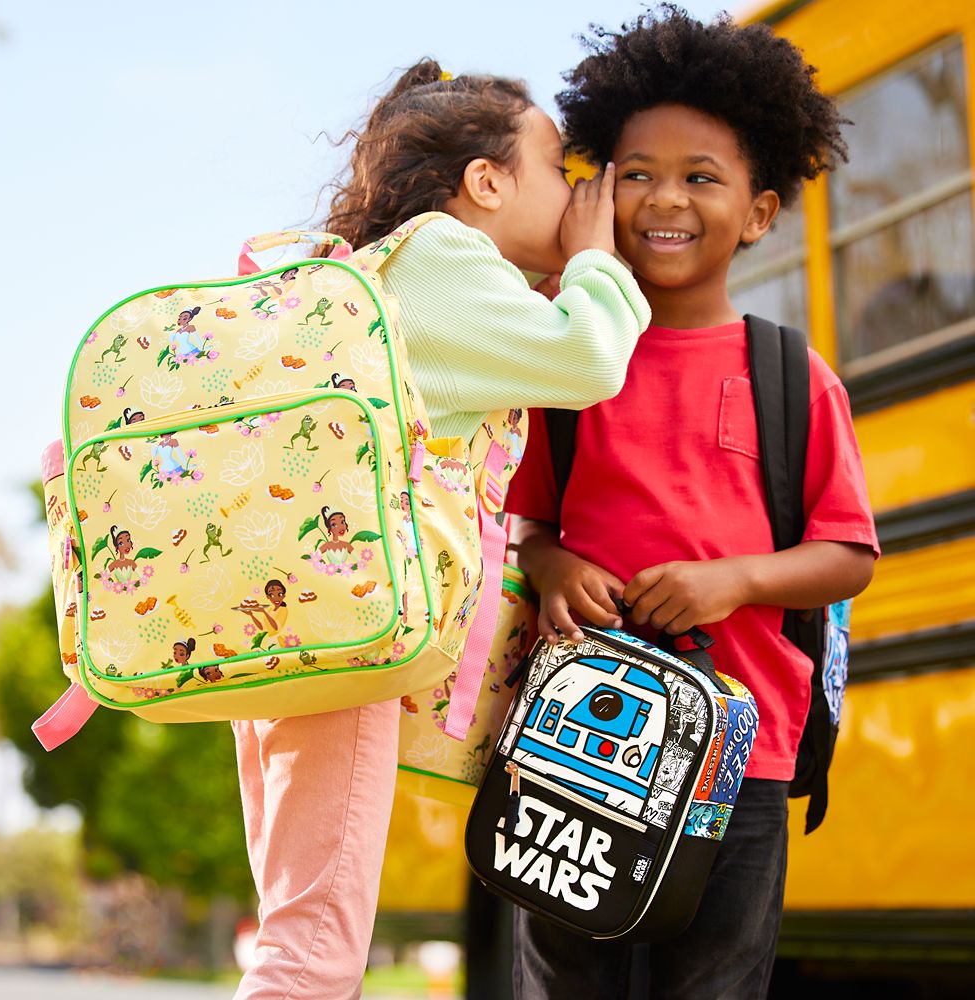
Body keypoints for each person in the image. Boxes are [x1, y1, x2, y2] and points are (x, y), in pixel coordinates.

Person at [230, 59, 651, 1000]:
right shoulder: (441, 258)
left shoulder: (376, 267)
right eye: (556, 166)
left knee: (296, 919)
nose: (579, 192)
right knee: (315, 942)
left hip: (286, 621)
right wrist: (598, 259)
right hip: (343, 639)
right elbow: (587, 357)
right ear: (487, 182)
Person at [504, 8, 880, 999]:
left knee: (714, 985)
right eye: (636, 173)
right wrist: (549, 565)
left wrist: (736, 581)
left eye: (700, 177)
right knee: (562, 984)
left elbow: (847, 551)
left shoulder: (792, 375)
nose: (664, 198)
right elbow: (521, 520)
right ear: (598, 195)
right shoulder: (566, 357)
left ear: (758, 212)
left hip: (738, 764)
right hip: (570, 748)